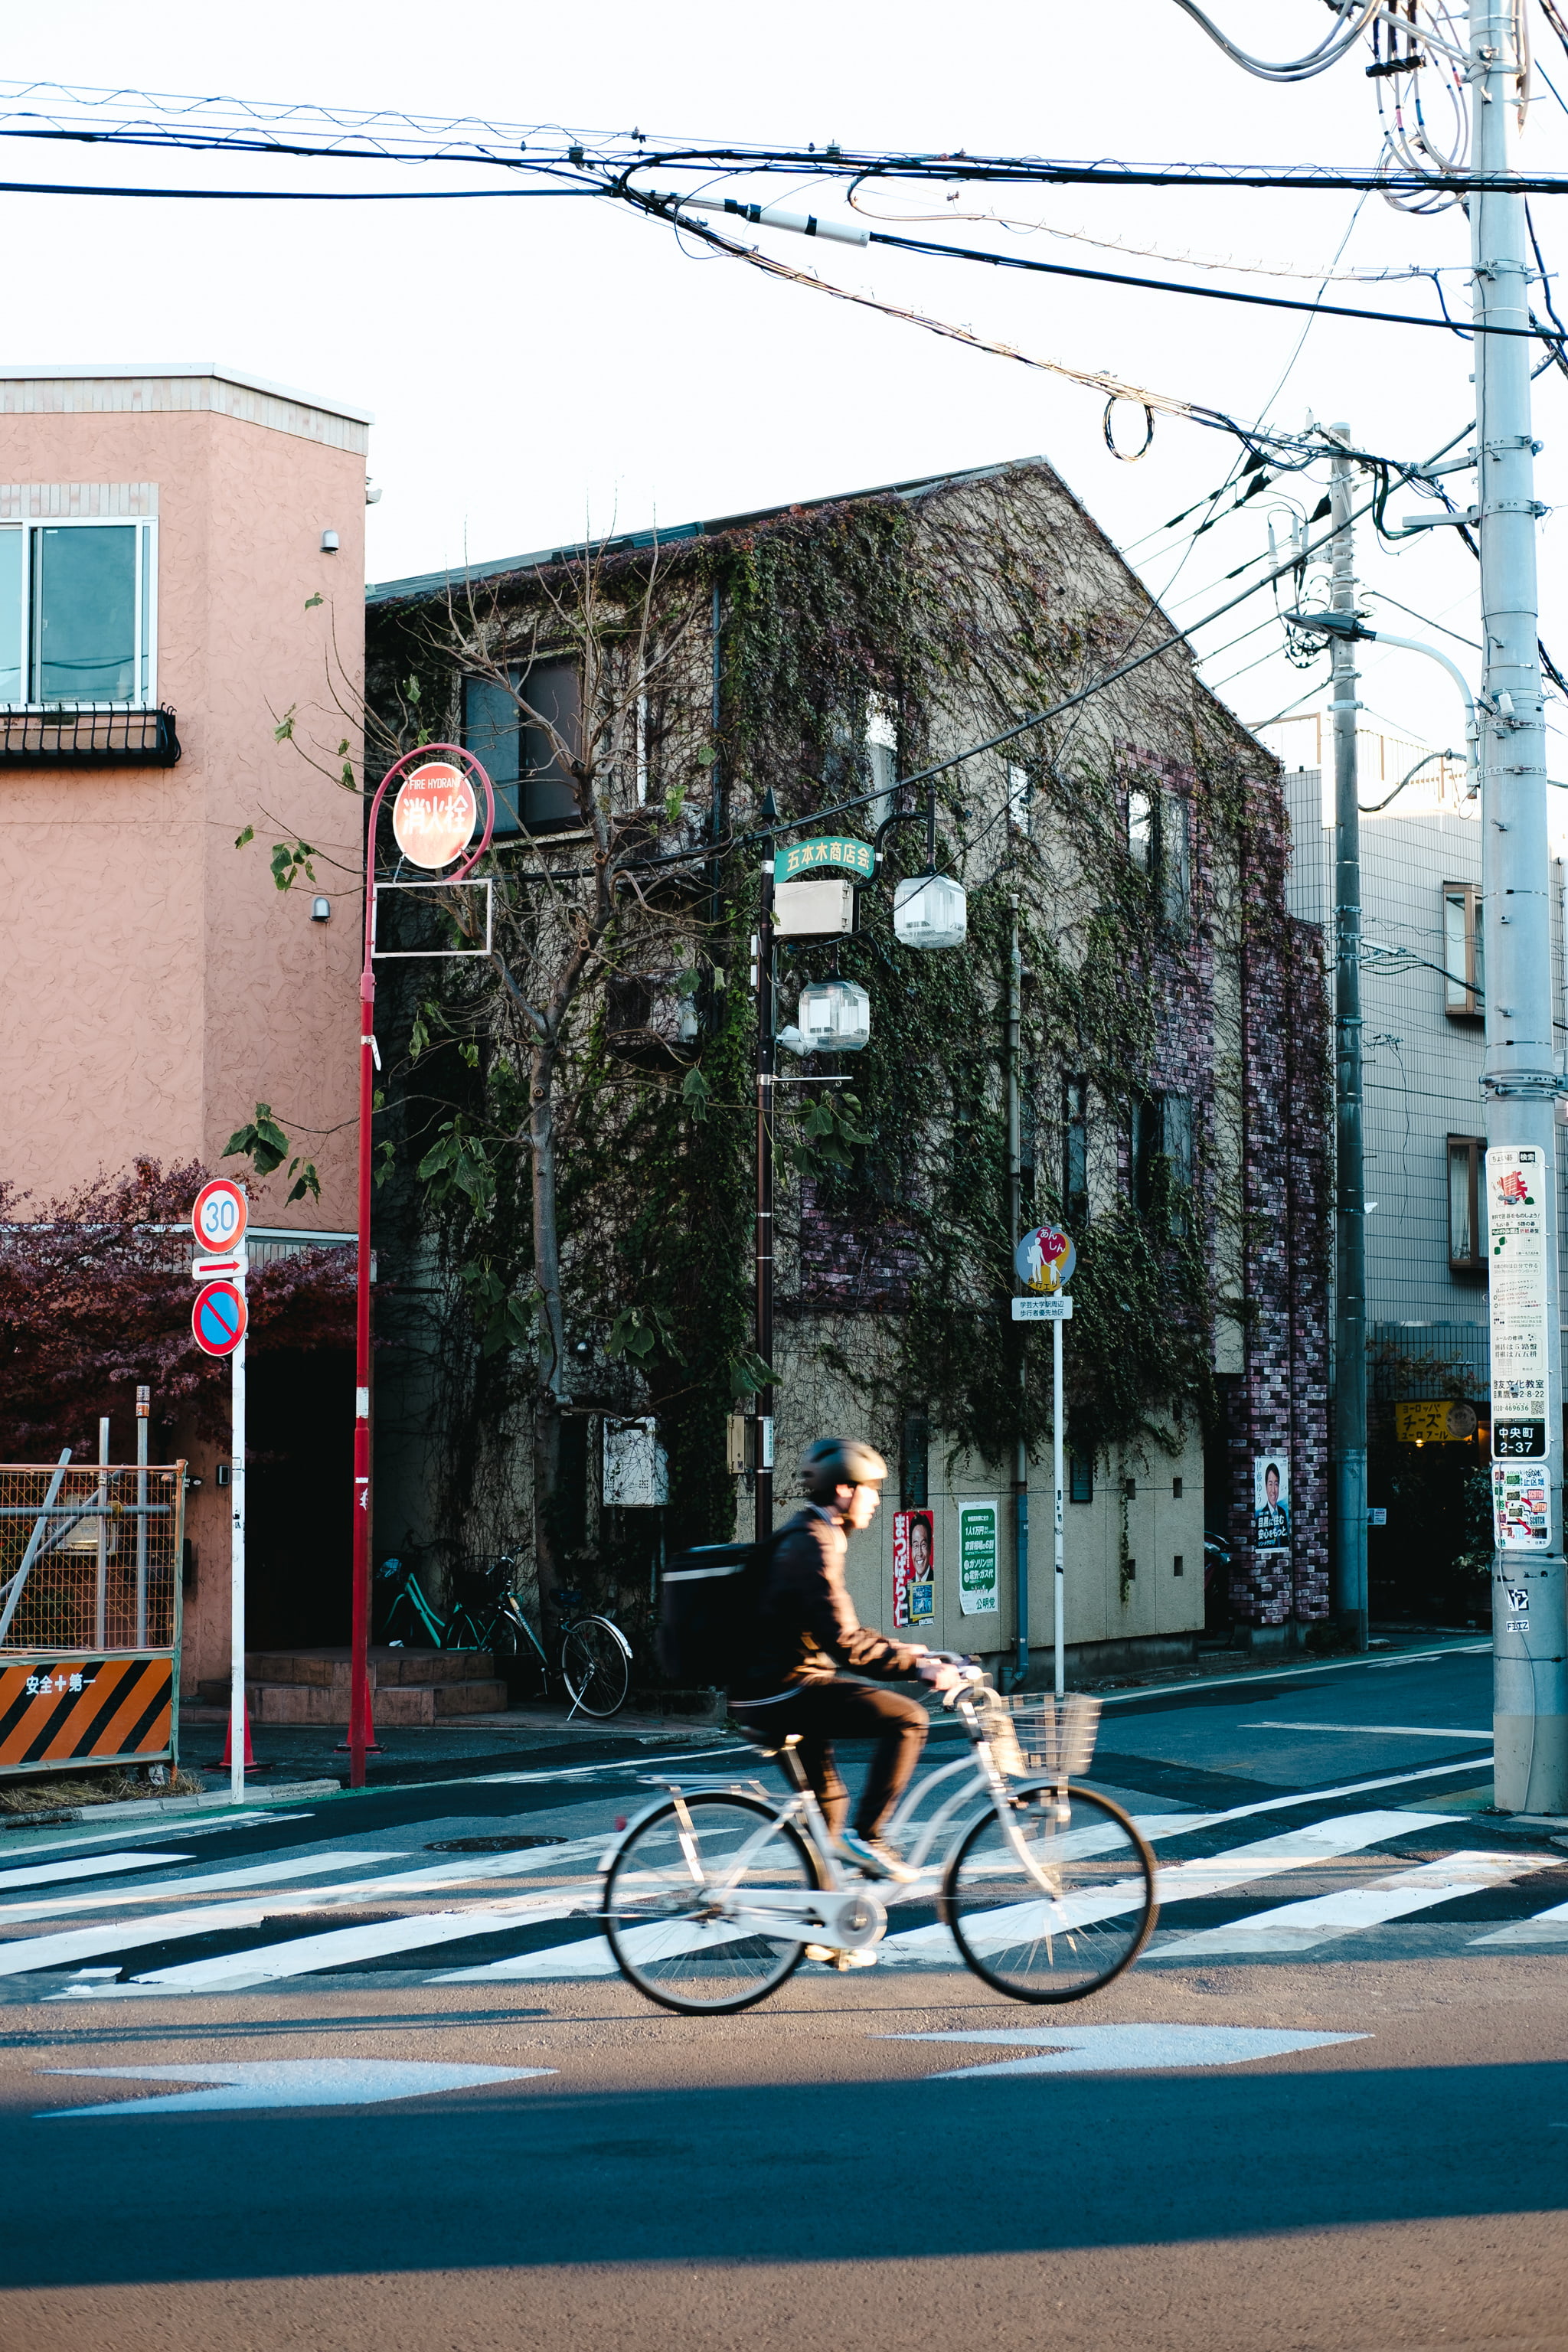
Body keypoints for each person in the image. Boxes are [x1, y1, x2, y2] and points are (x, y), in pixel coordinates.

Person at [730, 1436, 962, 1883]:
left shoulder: (812, 1533)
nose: (877, 1500)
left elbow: (838, 1629)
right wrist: (917, 1668)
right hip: (782, 1689)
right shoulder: (814, 1542)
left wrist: (909, 1651)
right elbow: (845, 1644)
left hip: (769, 1687)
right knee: (909, 1719)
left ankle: (824, 1928)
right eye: (871, 1488)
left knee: (828, 1812)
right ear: (844, 1490)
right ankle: (871, 1837)